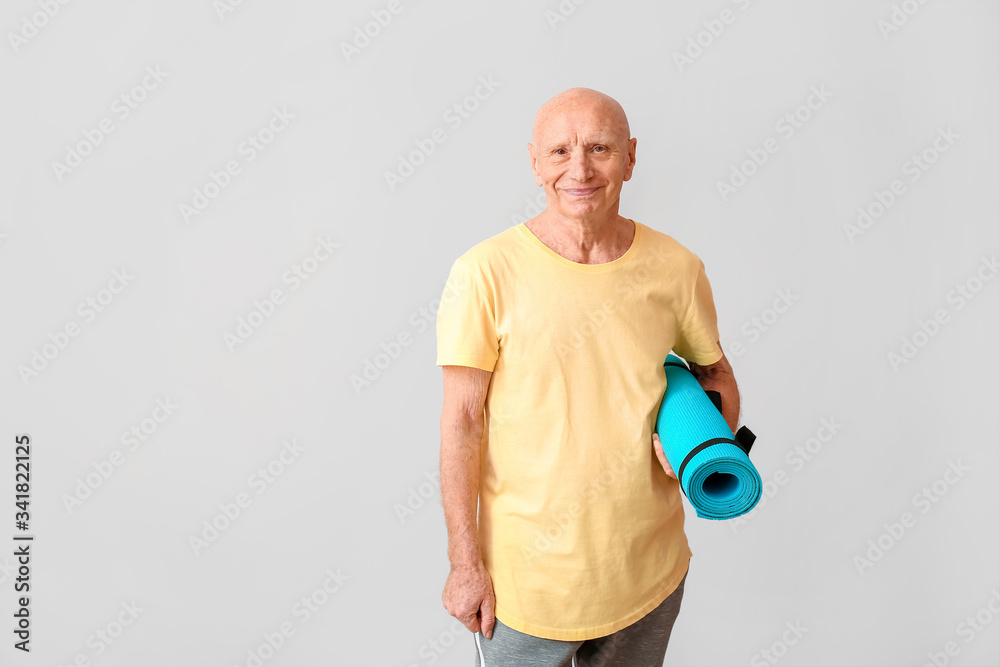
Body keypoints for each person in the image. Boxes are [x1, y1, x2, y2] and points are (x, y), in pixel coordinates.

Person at [436, 87, 741, 666]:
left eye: (599, 148)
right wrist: (465, 565)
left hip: (647, 571)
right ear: (534, 162)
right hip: (526, 585)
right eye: (559, 152)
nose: (579, 169)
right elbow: (461, 424)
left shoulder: (677, 267)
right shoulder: (484, 273)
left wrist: (706, 443)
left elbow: (715, 373)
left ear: (630, 156)